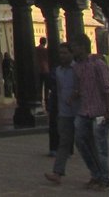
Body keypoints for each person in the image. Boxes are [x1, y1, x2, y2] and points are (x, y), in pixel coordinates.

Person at [72, 35, 109, 191]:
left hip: (100, 111)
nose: (73, 50)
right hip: (84, 110)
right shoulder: (77, 67)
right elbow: (79, 87)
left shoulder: (98, 64)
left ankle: (104, 178)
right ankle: (95, 173)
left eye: (75, 46)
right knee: (80, 141)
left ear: (83, 46)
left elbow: (106, 88)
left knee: (100, 146)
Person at [44, 44, 78, 185]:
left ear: (71, 53)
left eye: (65, 53)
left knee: (85, 143)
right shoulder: (58, 71)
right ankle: (57, 173)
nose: (62, 56)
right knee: (63, 143)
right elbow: (58, 91)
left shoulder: (78, 69)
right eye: (60, 53)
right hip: (64, 112)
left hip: (80, 111)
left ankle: (98, 173)